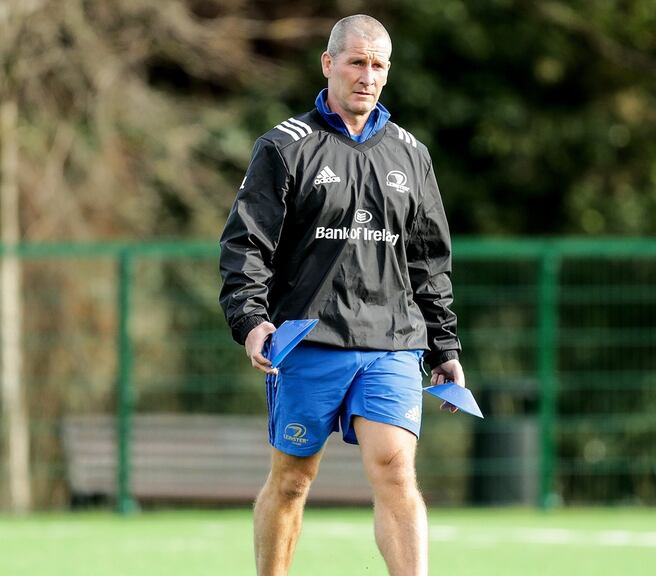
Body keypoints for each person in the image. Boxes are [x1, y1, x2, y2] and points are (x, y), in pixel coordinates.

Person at [218, 14, 465, 576]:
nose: (368, 76)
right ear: (328, 64)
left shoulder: (411, 155)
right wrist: (251, 321)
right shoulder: (284, 147)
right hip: (309, 341)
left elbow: (429, 260)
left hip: (392, 341)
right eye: (357, 61)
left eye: (379, 65)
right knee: (293, 480)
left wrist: (445, 347)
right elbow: (245, 244)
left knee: (396, 469)